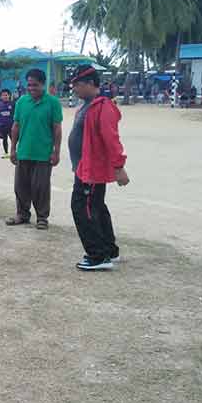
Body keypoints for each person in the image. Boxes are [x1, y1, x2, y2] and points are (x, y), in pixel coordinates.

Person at [68, 65, 130, 271]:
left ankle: (97, 256)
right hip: (84, 168)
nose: (74, 89)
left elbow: (111, 139)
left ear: (88, 84)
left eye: (76, 85)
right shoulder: (86, 106)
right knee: (96, 208)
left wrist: (119, 167)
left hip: (91, 170)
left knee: (82, 208)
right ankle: (109, 250)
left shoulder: (102, 107)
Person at [6, 68, 63, 230]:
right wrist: (13, 149)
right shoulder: (21, 102)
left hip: (43, 154)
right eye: (29, 85)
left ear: (43, 84)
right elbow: (16, 126)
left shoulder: (53, 103)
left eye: (35, 85)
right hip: (24, 152)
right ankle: (22, 215)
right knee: (20, 186)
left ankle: (42, 217)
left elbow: (57, 128)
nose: (31, 88)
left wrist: (56, 151)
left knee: (41, 187)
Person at [0, 89, 14, 158]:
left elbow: (17, 116)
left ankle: (14, 152)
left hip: (12, 126)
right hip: (3, 126)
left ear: (9, 96)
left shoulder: (13, 104)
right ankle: (6, 153)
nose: (5, 96)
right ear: (1, 97)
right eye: (3, 95)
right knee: (4, 139)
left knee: (13, 140)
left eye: (6, 95)